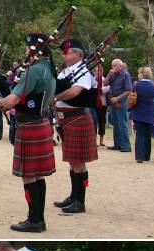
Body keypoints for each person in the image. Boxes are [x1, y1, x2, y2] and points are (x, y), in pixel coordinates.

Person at [0, 34, 56, 233]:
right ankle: (38, 218)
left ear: (34, 50)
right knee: (37, 176)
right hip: (41, 124)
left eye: (27, 49)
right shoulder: (48, 69)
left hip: (30, 127)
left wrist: (0, 102)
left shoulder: (35, 71)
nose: (25, 53)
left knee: (29, 176)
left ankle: (34, 220)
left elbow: (11, 100)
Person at [53, 39, 98, 215]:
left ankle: (80, 202)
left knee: (78, 163)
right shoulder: (67, 71)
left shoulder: (83, 72)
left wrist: (55, 98)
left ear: (79, 54)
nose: (65, 54)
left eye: (69, 51)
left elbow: (75, 92)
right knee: (73, 162)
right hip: (67, 120)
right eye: (65, 51)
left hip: (77, 118)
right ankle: (73, 196)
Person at [104, 59, 133, 153]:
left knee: (122, 123)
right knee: (115, 123)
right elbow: (105, 83)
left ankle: (126, 145)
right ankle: (117, 144)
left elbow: (128, 90)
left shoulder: (125, 75)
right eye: (112, 66)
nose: (113, 68)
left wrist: (117, 98)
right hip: (113, 100)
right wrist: (109, 74)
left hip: (121, 101)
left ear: (120, 66)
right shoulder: (112, 74)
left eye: (115, 66)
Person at [130, 67, 154, 163]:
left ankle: (139, 156)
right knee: (147, 134)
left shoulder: (136, 85)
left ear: (141, 74)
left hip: (138, 112)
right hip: (149, 112)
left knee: (140, 134)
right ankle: (146, 156)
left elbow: (132, 96)